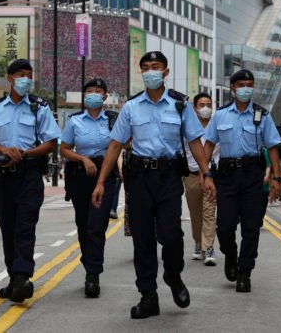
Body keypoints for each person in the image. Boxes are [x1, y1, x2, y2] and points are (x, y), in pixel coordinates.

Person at [91, 51, 216, 319]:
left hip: (169, 177)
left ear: (166, 72)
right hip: (139, 179)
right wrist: (101, 182)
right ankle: (148, 295)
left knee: (171, 235)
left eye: (156, 67)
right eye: (146, 67)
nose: (151, 72)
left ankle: (173, 275)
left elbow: (195, 142)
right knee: (143, 239)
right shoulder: (132, 107)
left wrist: (207, 175)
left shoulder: (180, 105)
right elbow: (115, 145)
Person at [0, 59, 60, 303]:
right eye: (20, 74)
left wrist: (25, 153)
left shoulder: (39, 108)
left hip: (29, 174)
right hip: (2, 175)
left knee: (25, 225)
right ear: (10, 78)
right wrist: (5, 150)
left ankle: (23, 277)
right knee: (9, 227)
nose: (25, 79)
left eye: (29, 74)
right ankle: (14, 278)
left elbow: (51, 141)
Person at [203, 69, 281, 294]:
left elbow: (273, 146)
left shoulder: (262, 116)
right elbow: (208, 144)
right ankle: (230, 253)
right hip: (227, 176)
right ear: (233, 88)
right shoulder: (220, 115)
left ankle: (245, 271)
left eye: (250, 84)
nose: (246, 88)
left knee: (251, 227)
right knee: (224, 226)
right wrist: (206, 174)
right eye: (242, 84)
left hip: (252, 177)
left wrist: (277, 178)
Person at [60, 78, 118, 298]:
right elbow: (64, 149)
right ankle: (89, 260)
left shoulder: (113, 120)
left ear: (105, 96)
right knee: (83, 225)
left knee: (97, 225)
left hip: (106, 175)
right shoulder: (75, 121)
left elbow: (119, 145)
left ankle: (93, 274)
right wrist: (83, 159)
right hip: (80, 176)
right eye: (90, 91)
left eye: (98, 91)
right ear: (84, 96)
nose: (94, 94)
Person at [182, 92, 219, 265]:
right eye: (202, 104)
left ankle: (209, 247)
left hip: (212, 176)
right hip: (191, 175)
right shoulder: (187, 127)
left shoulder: (217, 125)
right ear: (195, 108)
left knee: (209, 212)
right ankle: (198, 242)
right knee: (195, 213)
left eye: (209, 105)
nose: (206, 108)